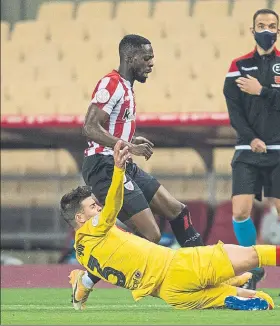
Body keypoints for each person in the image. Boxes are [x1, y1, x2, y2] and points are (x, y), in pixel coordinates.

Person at [62, 141, 280, 311]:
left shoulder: (84, 252)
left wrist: (80, 291)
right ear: (79, 219)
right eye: (92, 206)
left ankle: (237, 293)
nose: (99, 207)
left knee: (260, 299)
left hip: (172, 296)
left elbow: (91, 275)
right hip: (180, 267)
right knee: (258, 254)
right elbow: (114, 203)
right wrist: (118, 171)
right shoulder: (96, 227)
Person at [77, 35, 204, 305]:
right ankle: (87, 279)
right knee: (152, 235)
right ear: (129, 58)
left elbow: (109, 130)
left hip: (123, 163)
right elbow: (89, 126)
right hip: (103, 167)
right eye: (146, 58)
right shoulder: (110, 84)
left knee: (178, 211)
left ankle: (206, 272)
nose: (151, 63)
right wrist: (126, 145)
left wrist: (130, 143)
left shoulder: (127, 88)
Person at [223, 8, 280, 296]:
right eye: (261, 25)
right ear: (252, 29)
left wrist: (262, 90)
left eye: (271, 25)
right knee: (240, 211)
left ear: (278, 31)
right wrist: (250, 137)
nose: (266, 30)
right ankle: (252, 269)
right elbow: (233, 109)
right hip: (247, 148)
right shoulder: (238, 65)